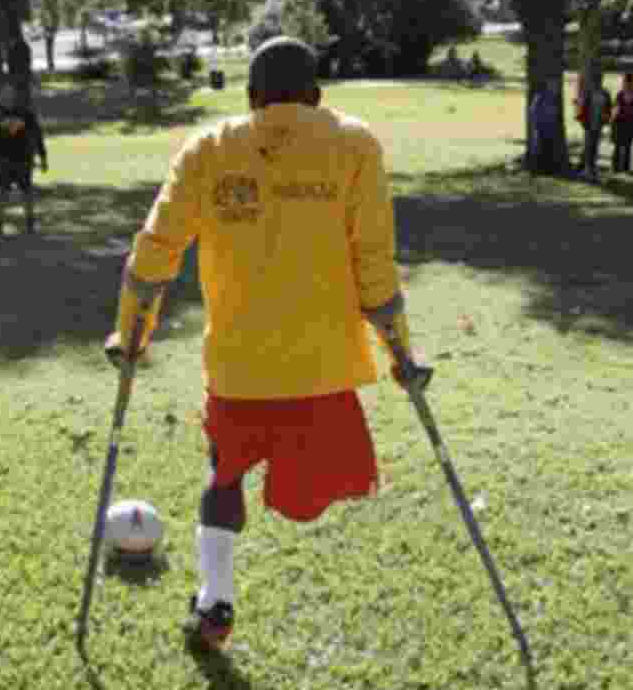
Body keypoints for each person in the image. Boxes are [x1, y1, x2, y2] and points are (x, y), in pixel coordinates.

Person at [104, 36, 431, 652]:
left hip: (238, 370)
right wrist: (402, 356)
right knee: (302, 494)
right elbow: (376, 267)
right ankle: (220, 591)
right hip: (326, 370)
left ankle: (214, 602)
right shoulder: (355, 145)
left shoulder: (208, 149)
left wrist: (131, 337)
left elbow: (153, 259)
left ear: (251, 97)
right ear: (316, 95)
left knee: (222, 477)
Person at [0, 82, 47, 238]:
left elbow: (37, 135)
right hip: (3, 162)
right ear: (1, 97)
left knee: (27, 193)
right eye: (5, 95)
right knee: (1, 195)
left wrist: (42, 156)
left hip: (23, 160)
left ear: (15, 96)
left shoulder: (26, 113)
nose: (8, 97)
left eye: (11, 95)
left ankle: (30, 225)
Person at [577, 69, 611, 181]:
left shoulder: (605, 93)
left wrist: (606, 118)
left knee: (595, 146)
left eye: (600, 79)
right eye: (596, 79)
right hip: (589, 123)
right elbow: (582, 108)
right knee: (588, 146)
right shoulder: (588, 92)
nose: (598, 81)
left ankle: (592, 168)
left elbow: (609, 107)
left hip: (599, 123)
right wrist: (583, 121)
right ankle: (587, 169)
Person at [611, 71, 633, 173]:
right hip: (619, 122)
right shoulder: (620, 94)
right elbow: (615, 107)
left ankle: (625, 168)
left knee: (627, 146)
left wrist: (632, 109)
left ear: (632, 83)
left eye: (627, 82)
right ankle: (616, 167)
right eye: (625, 82)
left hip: (631, 123)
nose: (625, 84)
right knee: (617, 145)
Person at [528, 79, 560, 175]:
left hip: (550, 128)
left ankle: (547, 169)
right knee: (539, 149)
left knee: (548, 149)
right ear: (548, 86)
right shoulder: (540, 96)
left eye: (556, 87)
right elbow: (534, 111)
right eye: (553, 86)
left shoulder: (553, 98)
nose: (555, 88)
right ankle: (537, 169)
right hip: (541, 128)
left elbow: (554, 114)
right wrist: (537, 125)